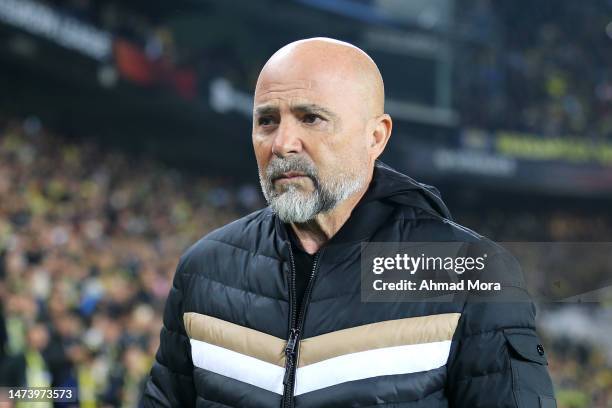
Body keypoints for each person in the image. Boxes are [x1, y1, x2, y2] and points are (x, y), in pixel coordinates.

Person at [142, 38, 556, 407]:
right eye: (267, 120)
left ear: (375, 137)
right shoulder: (204, 269)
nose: (283, 143)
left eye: (311, 118)